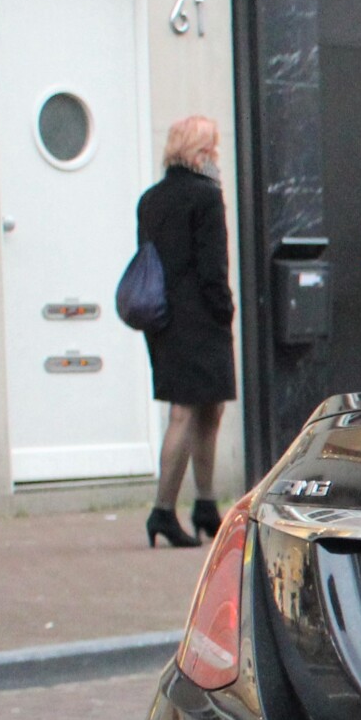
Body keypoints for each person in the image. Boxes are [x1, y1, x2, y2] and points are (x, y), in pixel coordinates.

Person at [134, 116, 236, 549]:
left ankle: (203, 507)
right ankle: (166, 509)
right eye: (211, 147)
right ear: (200, 152)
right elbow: (212, 265)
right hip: (201, 319)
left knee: (202, 409)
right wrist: (224, 309)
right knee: (192, 412)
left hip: (164, 319)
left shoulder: (151, 199)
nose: (215, 155)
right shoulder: (206, 197)